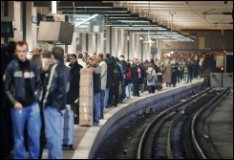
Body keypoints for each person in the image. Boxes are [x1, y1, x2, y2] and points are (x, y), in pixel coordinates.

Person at [5, 41, 42, 159]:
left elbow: (39, 84)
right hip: (18, 106)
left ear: (27, 51)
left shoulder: (32, 66)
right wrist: (14, 102)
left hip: (33, 106)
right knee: (19, 136)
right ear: (16, 52)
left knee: (34, 135)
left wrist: (36, 97)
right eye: (19, 51)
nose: (21, 54)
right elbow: (6, 88)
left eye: (23, 51)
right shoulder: (12, 66)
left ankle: (34, 157)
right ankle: (20, 157)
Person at [43, 46, 69, 159]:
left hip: (52, 105)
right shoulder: (66, 68)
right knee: (55, 133)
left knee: (52, 135)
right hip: (60, 104)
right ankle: (52, 156)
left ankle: (56, 157)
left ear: (53, 56)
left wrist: (43, 102)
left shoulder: (54, 68)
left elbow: (50, 88)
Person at [67, 54, 83, 124]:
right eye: (70, 58)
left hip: (76, 89)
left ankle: (76, 118)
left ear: (76, 59)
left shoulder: (79, 67)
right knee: (70, 104)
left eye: (73, 58)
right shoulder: (68, 67)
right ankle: (71, 118)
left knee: (76, 104)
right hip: (69, 90)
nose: (72, 60)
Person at [88, 55, 102, 125]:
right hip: (90, 89)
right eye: (90, 60)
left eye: (93, 60)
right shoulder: (88, 67)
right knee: (91, 105)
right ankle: (92, 119)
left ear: (96, 60)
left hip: (96, 89)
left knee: (96, 105)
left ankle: (97, 119)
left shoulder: (98, 67)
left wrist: (92, 69)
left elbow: (97, 71)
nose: (91, 61)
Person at [97, 53, 107, 119]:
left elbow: (102, 73)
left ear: (100, 57)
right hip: (100, 84)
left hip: (101, 84)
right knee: (100, 100)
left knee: (100, 100)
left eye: (97, 57)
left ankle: (100, 114)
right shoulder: (102, 63)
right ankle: (100, 114)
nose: (97, 58)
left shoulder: (103, 64)